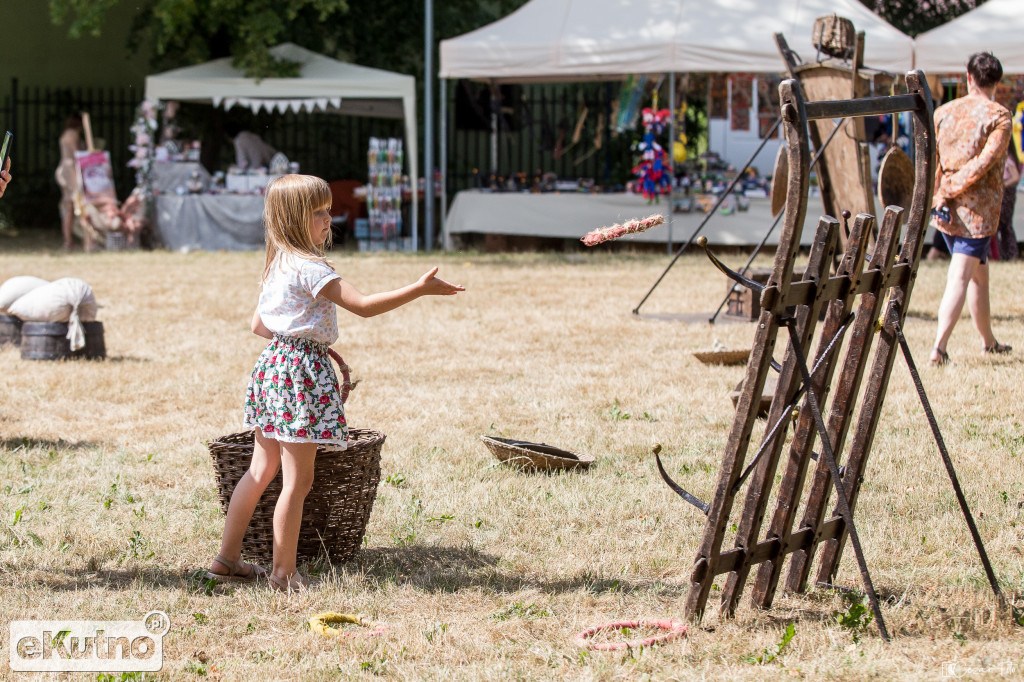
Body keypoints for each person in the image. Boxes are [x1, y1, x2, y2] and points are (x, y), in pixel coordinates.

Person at [206, 174, 464, 591]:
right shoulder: (311, 268)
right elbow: (362, 306)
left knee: (260, 469)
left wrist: (291, 341)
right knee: (297, 480)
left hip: (273, 367)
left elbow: (258, 325)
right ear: (294, 218)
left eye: (328, 210)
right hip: (300, 375)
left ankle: (227, 559)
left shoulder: (277, 264)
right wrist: (418, 289)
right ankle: (283, 574)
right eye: (319, 212)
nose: (330, 218)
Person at [930, 52, 1013, 365]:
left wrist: (940, 195)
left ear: (968, 76)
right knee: (960, 277)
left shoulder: (943, 112)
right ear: (997, 81)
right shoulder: (999, 116)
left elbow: (935, 163)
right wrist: (949, 190)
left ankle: (988, 342)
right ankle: (938, 349)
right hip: (975, 214)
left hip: (946, 210)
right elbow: (984, 163)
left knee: (979, 277)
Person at [54, 112, 90, 251]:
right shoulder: (73, 134)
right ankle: (87, 241)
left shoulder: (65, 133)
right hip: (70, 172)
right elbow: (78, 154)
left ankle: (68, 241)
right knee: (80, 205)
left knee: (68, 207)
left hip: (63, 170)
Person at [992, 148, 1021, 260]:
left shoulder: (1007, 158)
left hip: (1006, 196)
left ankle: (1010, 254)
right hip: (1002, 195)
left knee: (1004, 226)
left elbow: (1016, 177)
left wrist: (1003, 185)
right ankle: (1002, 255)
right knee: (1002, 227)